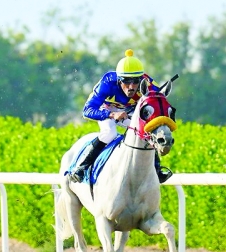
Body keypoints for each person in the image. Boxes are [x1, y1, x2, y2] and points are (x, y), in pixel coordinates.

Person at [70, 49, 172, 184]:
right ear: (119, 79)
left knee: (145, 131)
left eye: (135, 81)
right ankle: (82, 167)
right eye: (126, 81)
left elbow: (158, 102)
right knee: (109, 133)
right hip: (105, 108)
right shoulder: (107, 83)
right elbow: (87, 110)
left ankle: (157, 169)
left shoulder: (148, 84)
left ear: (141, 79)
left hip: (129, 109)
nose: (131, 87)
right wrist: (111, 114)